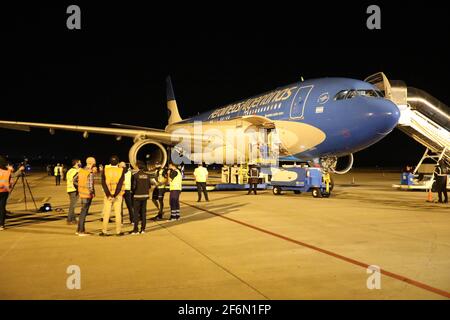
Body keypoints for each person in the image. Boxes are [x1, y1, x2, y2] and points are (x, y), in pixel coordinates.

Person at [100, 155, 126, 236]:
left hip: (108, 195)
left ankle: (104, 231)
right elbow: (120, 183)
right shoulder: (121, 170)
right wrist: (115, 195)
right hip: (117, 195)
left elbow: (103, 183)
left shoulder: (105, 170)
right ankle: (118, 231)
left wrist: (108, 194)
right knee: (118, 213)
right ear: (118, 162)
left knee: (106, 213)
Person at [73, 157, 97, 236]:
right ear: (91, 163)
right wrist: (92, 192)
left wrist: (79, 187)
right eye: (94, 162)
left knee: (82, 212)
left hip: (82, 193)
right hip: (87, 195)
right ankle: (81, 231)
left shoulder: (82, 170)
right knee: (84, 212)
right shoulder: (89, 172)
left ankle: (78, 229)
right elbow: (90, 185)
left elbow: (74, 180)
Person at [0, 156, 25, 231]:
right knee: (2, 208)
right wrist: (20, 170)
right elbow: (14, 175)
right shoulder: (7, 170)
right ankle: (1, 225)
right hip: (4, 191)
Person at [131, 161, 152, 234]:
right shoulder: (147, 175)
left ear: (137, 167)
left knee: (136, 213)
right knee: (143, 213)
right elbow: (149, 186)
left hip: (137, 196)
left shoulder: (135, 175)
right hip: (145, 196)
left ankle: (135, 229)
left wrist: (133, 193)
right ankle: (143, 229)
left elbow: (133, 186)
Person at [66, 159, 81, 225]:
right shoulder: (77, 171)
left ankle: (73, 219)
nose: (81, 163)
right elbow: (76, 180)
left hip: (69, 189)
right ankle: (69, 219)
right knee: (72, 205)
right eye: (80, 162)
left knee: (72, 205)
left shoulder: (69, 170)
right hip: (74, 190)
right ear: (77, 163)